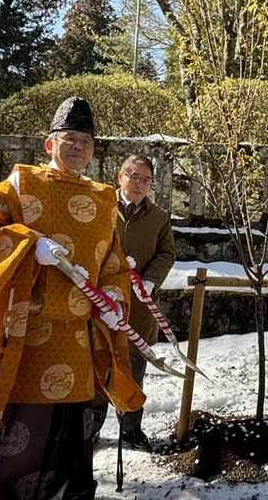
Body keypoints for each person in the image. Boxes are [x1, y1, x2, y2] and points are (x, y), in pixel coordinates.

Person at [0, 96, 144, 499]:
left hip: (78, 339)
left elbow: (114, 264)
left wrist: (114, 302)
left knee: (71, 439)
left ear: (94, 149)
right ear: (49, 144)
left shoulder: (104, 200)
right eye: (69, 138)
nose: (78, 147)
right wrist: (28, 245)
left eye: (85, 140)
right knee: (18, 438)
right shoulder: (19, 185)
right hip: (29, 337)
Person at [91, 155, 176, 451]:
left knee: (133, 369)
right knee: (99, 368)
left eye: (146, 179)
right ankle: (91, 427)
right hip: (102, 305)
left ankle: (131, 429)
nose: (139, 184)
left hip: (138, 309)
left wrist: (150, 281)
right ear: (120, 176)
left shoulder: (159, 218)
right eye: (134, 176)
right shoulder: (100, 206)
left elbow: (166, 254)